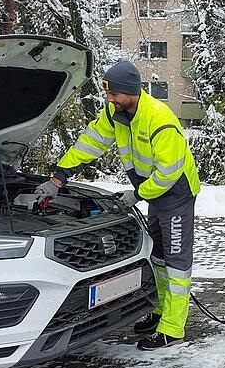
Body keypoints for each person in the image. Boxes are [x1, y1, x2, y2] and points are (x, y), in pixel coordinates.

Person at [35, 60, 200, 350]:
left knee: (176, 263)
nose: (109, 100)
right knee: (158, 257)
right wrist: (60, 176)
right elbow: (91, 142)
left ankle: (173, 328)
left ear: (131, 92)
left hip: (175, 194)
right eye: (108, 94)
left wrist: (139, 194)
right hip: (153, 192)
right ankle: (161, 311)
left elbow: (169, 172)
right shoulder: (116, 114)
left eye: (114, 95)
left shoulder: (159, 119)